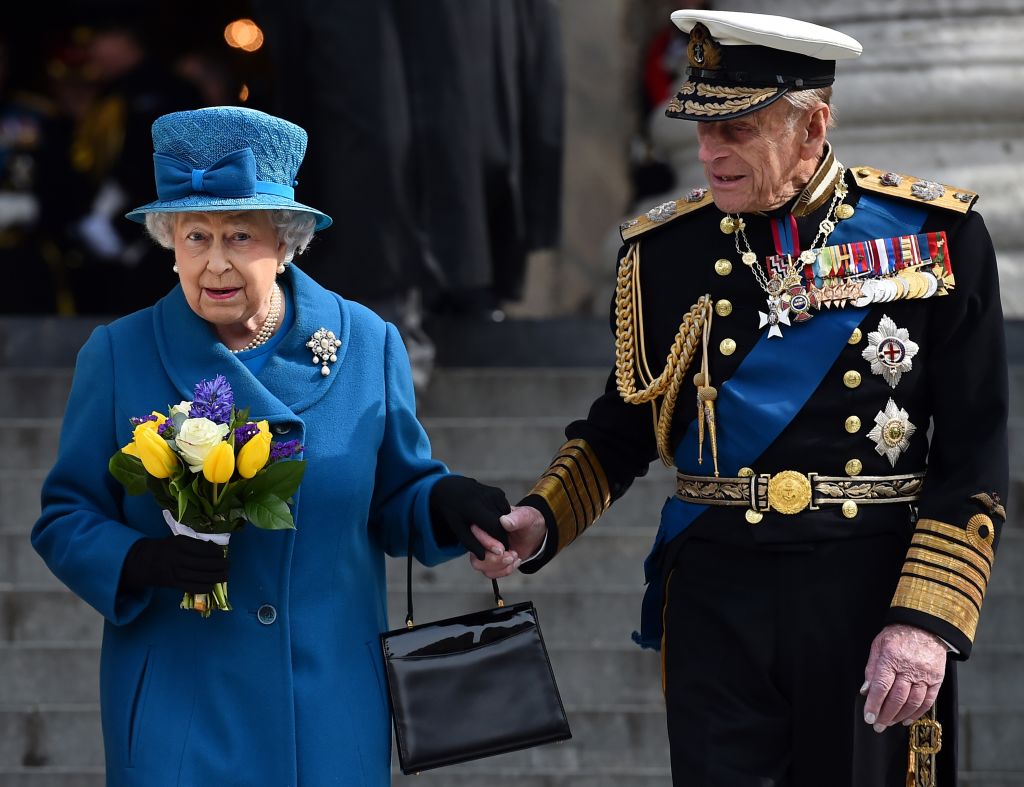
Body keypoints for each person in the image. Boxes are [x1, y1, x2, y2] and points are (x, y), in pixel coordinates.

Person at [470, 10, 1007, 786]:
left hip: (866, 585)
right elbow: (624, 425)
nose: (709, 153)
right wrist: (541, 518)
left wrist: (925, 617)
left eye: (740, 130)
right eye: (701, 129)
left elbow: (975, 448)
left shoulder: (935, 236)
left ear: (814, 125)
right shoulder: (663, 250)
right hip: (718, 591)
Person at [31, 106, 515, 787]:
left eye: (239, 235)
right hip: (180, 705)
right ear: (170, 242)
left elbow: (397, 494)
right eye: (195, 236)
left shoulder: (367, 343)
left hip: (328, 705)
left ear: (285, 243)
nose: (215, 262)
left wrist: (446, 504)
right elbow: (65, 517)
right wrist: (139, 558)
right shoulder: (119, 354)